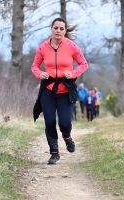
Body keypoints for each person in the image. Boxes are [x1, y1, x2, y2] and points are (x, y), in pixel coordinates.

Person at [31, 17, 88, 164]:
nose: (58, 30)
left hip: (65, 91)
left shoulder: (71, 46)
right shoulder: (43, 47)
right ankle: (54, 153)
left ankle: (67, 138)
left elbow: (83, 64)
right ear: (51, 29)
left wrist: (74, 73)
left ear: (65, 31)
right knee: (49, 122)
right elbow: (35, 66)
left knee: (64, 124)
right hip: (48, 90)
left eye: (61, 28)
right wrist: (39, 74)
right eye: (56, 28)